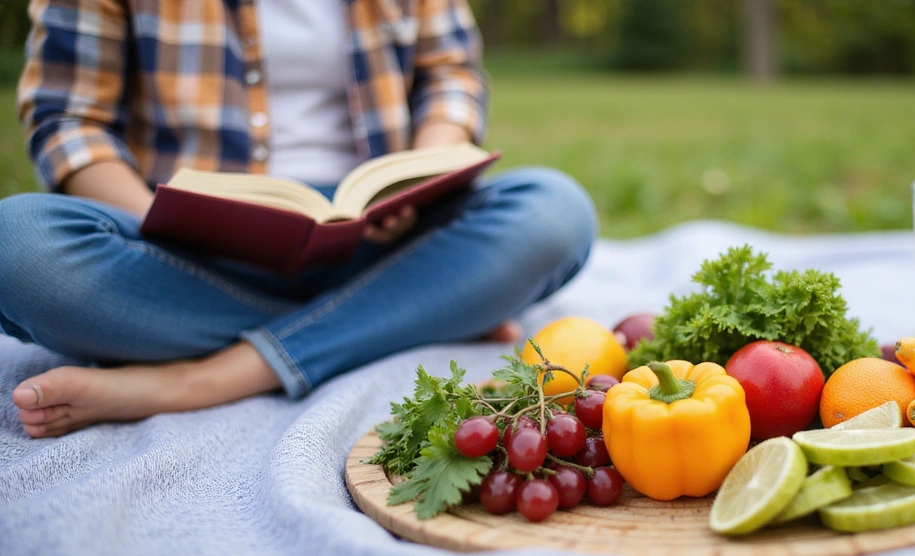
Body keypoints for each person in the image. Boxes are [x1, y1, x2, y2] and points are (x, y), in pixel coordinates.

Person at [0, 0, 596, 438]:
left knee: (554, 212)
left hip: (386, 236)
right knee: (18, 244)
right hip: (187, 256)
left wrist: (414, 180)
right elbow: (68, 119)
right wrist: (165, 222)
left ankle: (202, 380)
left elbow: (450, 75)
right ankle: (416, 308)